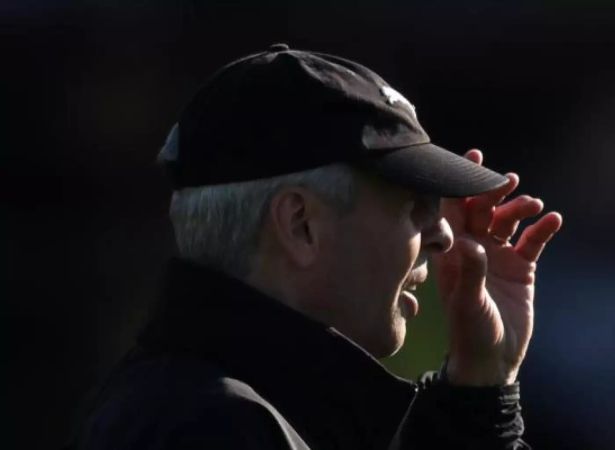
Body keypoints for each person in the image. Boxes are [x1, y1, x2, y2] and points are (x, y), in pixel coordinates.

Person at [73, 43, 562, 449]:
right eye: (413, 204)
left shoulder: (202, 407)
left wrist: (480, 388)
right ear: (300, 224)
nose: (443, 234)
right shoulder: (217, 429)